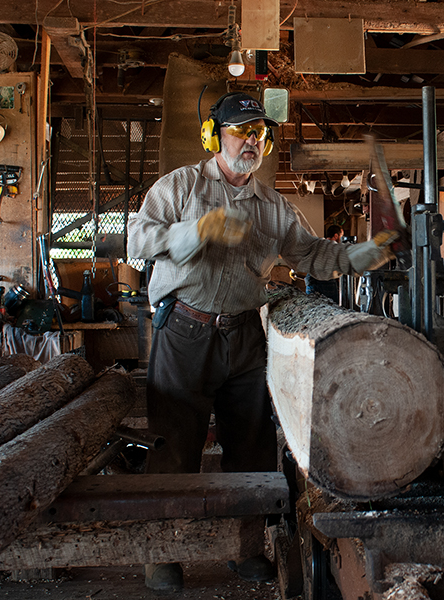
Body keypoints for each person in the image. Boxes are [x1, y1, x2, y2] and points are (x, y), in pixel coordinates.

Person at [127, 92, 393, 592]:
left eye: (259, 133)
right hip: (184, 329)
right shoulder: (179, 186)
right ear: (213, 135)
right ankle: (163, 554)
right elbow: (137, 239)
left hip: (245, 333)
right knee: (174, 446)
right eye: (240, 130)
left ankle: (245, 548)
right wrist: (194, 233)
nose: (251, 140)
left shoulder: (273, 206)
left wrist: (358, 256)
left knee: (249, 449)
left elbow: (311, 253)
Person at [305, 224, 343, 303]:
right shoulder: (334, 247)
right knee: (333, 310)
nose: (341, 239)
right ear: (336, 236)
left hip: (311, 283)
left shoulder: (318, 243)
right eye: (341, 236)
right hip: (326, 285)